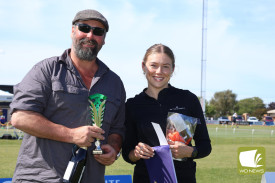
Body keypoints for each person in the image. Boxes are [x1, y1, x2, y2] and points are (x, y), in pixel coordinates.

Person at [10, 9, 125, 183]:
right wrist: (71, 135)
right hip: (40, 178)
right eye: (84, 28)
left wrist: (114, 149)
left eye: (98, 31)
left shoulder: (114, 83)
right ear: (73, 31)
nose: (90, 35)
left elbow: (117, 129)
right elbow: (21, 117)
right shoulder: (46, 70)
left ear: (103, 39)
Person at [122, 44, 211, 183]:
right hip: (145, 178)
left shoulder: (188, 99)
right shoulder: (132, 105)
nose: (159, 71)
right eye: (153, 65)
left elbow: (205, 146)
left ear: (172, 69)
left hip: (183, 178)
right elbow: (127, 154)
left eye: (165, 66)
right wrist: (137, 153)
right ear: (143, 67)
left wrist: (189, 151)